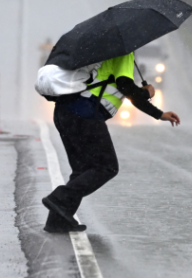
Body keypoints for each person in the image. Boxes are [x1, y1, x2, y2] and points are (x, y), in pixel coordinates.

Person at [39, 51, 181, 233]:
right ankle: (59, 198)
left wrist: (152, 106)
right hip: (85, 114)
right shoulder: (122, 52)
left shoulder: (93, 51)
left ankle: (56, 221)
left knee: (82, 170)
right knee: (106, 167)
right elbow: (125, 86)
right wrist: (149, 97)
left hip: (64, 112)